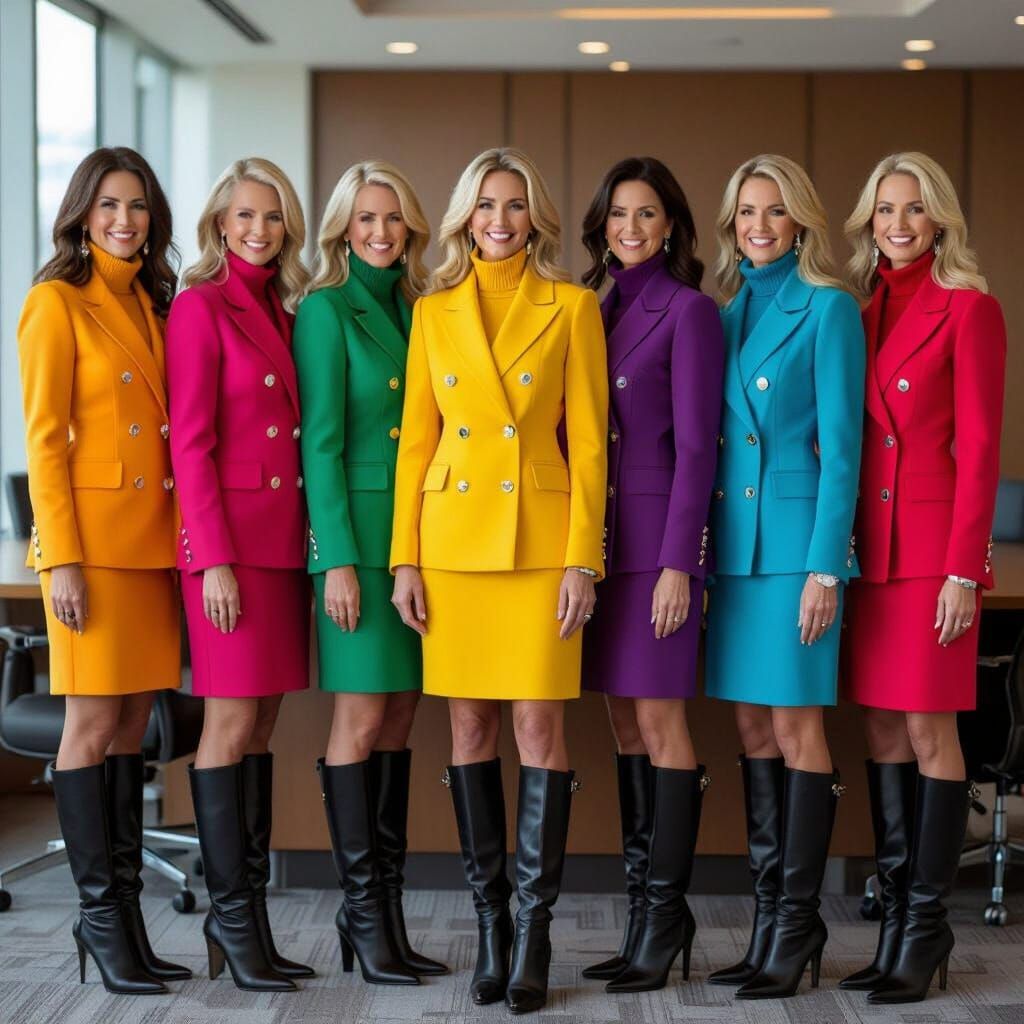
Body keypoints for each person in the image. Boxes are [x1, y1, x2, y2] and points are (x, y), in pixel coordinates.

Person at [390, 147, 607, 1014]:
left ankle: (536, 929)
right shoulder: (433, 312)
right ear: (464, 218)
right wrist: (403, 556)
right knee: (470, 728)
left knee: (540, 734)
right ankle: (492, 928)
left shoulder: (574, 307)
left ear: (535, 217)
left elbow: (590, 446)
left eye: (514, 205)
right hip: (451, 545)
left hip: (540, 542)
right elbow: (416, 444)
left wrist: (582, 560)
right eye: (485, 205)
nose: (500, 219)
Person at [18, 147, 188, 995]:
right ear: (83, 214)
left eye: (139, 207)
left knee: (130, 729)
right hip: (94, 550)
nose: (125, 220)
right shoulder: (56, 303)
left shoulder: (155, 305)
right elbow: (45, 445)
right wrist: (62, 561)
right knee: (91, 728)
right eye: (109, 205)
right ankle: (99, 923)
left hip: (154, 547)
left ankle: (126, 920)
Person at [840, 152, 1006, 1005]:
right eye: (883, 210)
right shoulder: (857, 312)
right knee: (880, 733)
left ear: (938, 219)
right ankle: (899, 914)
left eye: (913, 209)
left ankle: (928, 922)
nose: (898, 224)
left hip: (933, 556)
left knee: (930, 732)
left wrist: (963, 572)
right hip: (870, 554)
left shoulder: (970, 311)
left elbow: (980, 453)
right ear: (869, 221)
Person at [704, 154, 865, 999]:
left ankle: (797, 927)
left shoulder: (830, 309)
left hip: (797, 554)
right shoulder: (726, 313)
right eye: (744, 213)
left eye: (772, 211)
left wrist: (825, 571)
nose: (757, 226)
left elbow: (843, 453)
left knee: (800, 733)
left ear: (800, 219)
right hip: (735, 552)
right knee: (753, 734)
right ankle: (770, 921)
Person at [294, 160, 444, 985]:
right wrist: (338, 563)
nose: (380, 233)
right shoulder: (324, 311)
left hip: (420, 547)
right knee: (358, 723)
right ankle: (361, 916)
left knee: (398, 724)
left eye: (392, 220)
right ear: (342, 233)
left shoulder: (425, 311)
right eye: (365, 221)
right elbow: (319, 443)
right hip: (359, 546)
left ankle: (382, 917)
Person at [166, 157, 313, 991]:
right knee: (228, 730)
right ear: (220, 223)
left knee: (261, 731)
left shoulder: (284, 311)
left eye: (271, 217)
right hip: (230, 555)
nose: (258, 229)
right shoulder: (198, 307)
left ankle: (245, 924)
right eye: (243, 215)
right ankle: (229, 923)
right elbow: (189, 441)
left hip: (281, 547)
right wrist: (211, 557)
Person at [578, 156, 723, 993]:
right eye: (618, 217)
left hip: (657, 551)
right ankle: (644, 916)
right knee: (624, 728)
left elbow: (697, 446)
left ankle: (665, 919)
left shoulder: (692, 312)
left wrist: (680, 564)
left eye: (647, 215)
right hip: (599, 553)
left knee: (662, 726)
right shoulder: (591, 311)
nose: (630, 229)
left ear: (671, 225)